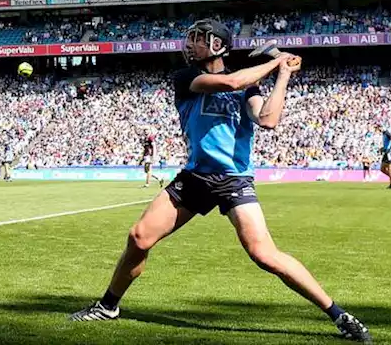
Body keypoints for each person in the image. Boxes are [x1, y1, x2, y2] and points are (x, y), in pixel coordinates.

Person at [69, 19, 371, 342]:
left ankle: (340, 315)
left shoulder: (248, 86)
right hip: (196, 176)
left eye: (198, 39)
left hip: (234, 180)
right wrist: (276, 60)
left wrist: (283, 75)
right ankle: (108, 306)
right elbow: (230, 83)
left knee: (264, 254)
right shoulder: (187, 78)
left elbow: (268, 119)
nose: (190, 44)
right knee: (139, 237)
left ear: (217, 45)